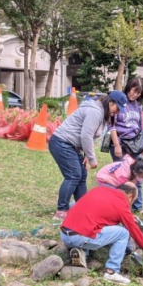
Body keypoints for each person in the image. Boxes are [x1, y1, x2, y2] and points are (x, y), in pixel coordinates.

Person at [59, 182, 143, 284]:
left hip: (65, 234)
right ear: (130, 196)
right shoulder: (122, 206)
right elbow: (134, 231)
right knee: (123, 233)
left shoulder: (98, 190)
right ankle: (112, 272)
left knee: (92, 225)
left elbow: (101, 213)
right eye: (133, 201)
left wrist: (128, 216)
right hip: (80, 237)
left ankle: (82, 252)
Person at [50, 91, 126, 221]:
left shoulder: (102, 114)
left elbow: (90, 136)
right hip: (62, 142)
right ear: (111, 102)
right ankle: (61, 210)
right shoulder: (95, 112)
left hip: (72, 145)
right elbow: (86, 135)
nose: (118, 112)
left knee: (82, 175)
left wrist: (85, 154)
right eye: (117, 108)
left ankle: (82, 206)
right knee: (73, 175)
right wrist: (92, 158)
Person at [110, 78, 143, 212]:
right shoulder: (119, 102)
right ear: (128, 87)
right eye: (134, 91)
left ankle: (138, 207)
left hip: (136, 144)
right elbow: (112, 126)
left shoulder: (138, 105)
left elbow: (141, 126)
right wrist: (116, 146)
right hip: (121, 144)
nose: (135, 95)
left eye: (139, 93)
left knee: (137, 175)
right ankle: (121, 206)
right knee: (122, 176)